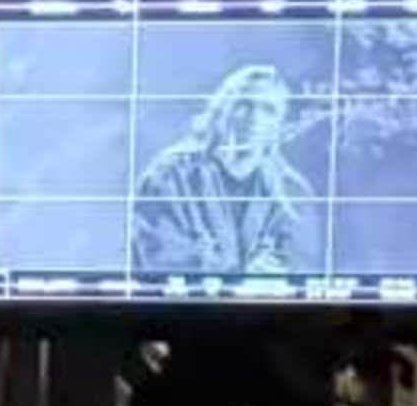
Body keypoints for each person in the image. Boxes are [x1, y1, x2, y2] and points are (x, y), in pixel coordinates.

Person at [130, 59, 314, 287]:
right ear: (222, 110)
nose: (254, 118)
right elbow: (157, 258)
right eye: (244, 105)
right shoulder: (169, 175)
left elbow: (302, 265)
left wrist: (272, 275)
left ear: (279, 123)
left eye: (268, 110)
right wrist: (240, 278)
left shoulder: (293, 192)